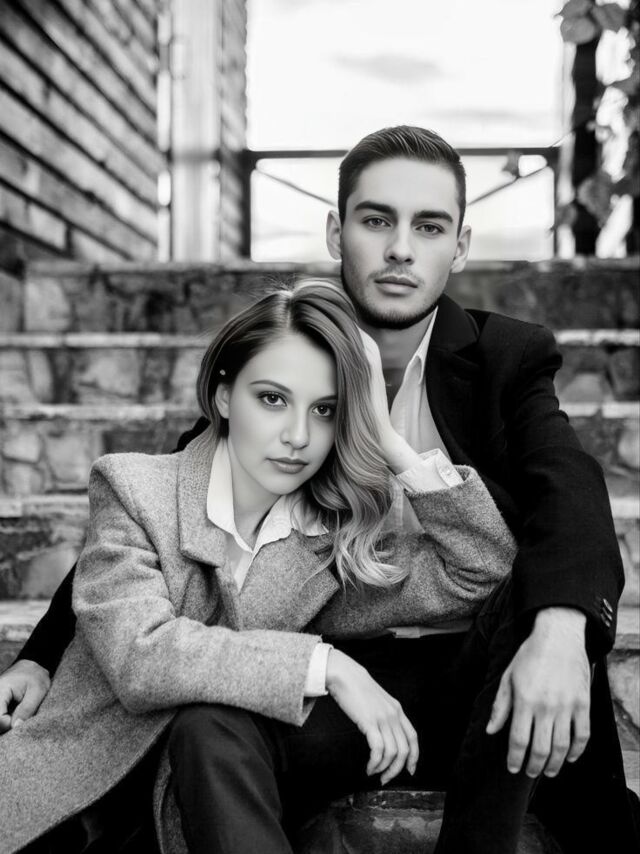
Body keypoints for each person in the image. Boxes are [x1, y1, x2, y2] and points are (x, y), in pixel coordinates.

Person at [0, 124, 636, 852]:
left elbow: (566, 489)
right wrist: (43, 653)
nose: (400, 249)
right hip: (324, 666)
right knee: (210, 728)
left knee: (541, 594)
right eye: (376, 221)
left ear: (460, 245)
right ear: (338, 233)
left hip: (466, 660)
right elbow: (161, 510)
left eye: (429, 227)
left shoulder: (505, 357)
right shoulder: (284, 356)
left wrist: (561, 626)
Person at [0, 281, 514, 853]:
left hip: (187, 813)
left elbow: (480, 571)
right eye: (272, 399)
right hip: (65, 808)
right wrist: (327, 666)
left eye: (325, 410)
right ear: (224, 396)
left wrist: (389, 440)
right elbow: (140, 657)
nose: (298, 437)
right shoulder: (135, 490)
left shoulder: (331, 547)